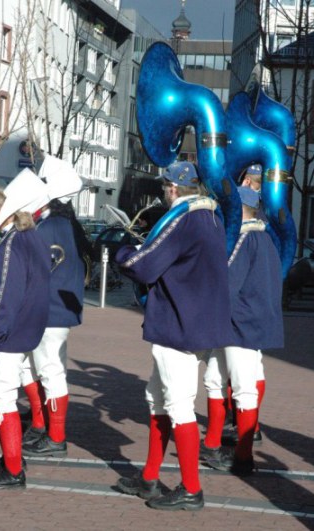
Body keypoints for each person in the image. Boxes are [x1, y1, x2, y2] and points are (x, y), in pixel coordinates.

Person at [114, 161, 234, 511]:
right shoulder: (211, 216)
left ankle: (191, 489)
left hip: (178, 324)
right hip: (196, 323)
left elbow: (144, 266)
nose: (163, 192)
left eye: (165, 187)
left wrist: (123, 248)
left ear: (174, 188)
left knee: (178, 405)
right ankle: (150, 478)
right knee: (158, 398)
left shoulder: (183, 217)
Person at [0, 168, 51, 489]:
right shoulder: (33, 238)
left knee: (2, 396)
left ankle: (13, 468)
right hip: (23, 331)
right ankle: (11, 454)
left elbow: (6, 295)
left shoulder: (12, 244)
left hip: (8, 334)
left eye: (0, 203)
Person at [202, 186, 283, 475]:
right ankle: (212, 444)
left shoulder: (242, 237)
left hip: (239, 322)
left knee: (240, 387)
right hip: (249, 320)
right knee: (215, 378)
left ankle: (243, 456)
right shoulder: (265, 237)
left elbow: (227, 283)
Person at [22, 155, 88, 457]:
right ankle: (43, 427)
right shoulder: (68, 224)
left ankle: (55, 435)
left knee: (50, 371)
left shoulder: (47, 227)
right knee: (45, 368)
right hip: (59, 310)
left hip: (48, 310)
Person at [223, 164, 266, 446]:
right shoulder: (265, 225)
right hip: (258, 312)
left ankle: (244, 448)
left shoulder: (246, 232)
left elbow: (231, 281)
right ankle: (249, 425)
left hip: (242, 317)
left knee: (241, 381)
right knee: (254, 371)